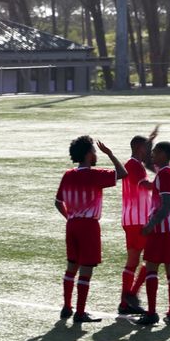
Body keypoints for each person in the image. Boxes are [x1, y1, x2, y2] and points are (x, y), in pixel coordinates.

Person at [55, 135, 127, 324]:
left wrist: (70, 217)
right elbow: (123, 173)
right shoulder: (95, 175)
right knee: (86, 269)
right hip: (88, 226)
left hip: (71, 225)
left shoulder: (68, 174)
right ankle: (80, 312)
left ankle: (67, 307)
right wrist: (110, 154)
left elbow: (57, 202)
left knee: (71, 266)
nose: (96, 155)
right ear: (88, 154)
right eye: (94, 152)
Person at [137, 141, 170, 326]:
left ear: (164, 154)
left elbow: (167, 204)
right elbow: (152, 167)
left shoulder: (164, 174)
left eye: (155, 152)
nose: (153, 156)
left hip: (161, 229)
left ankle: (151, 313)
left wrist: (151, 224)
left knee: (151, 269)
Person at [118, 126, 160, 315]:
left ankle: (125, 302)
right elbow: (144, 185)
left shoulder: (134, 164)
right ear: (138, 148)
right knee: (151, 258)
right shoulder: (133, 165)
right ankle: (131, 296)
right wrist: (162, 184)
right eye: (146, 149)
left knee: (134, 260)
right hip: (139, 220)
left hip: (132, 218)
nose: (148, 153)